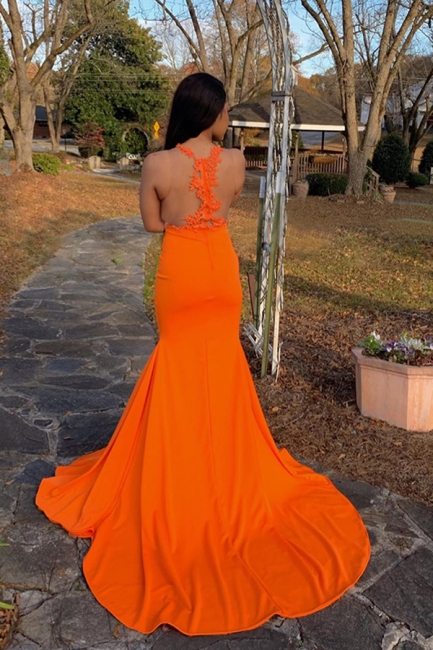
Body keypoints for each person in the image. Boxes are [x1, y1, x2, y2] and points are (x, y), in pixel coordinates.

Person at [36, 72, 370, 637]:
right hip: (219, 270)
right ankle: (224, 464)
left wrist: (178, 209)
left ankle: (180, 468)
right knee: (221, 366)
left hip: (182, 272)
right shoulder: (236, 163)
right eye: (225, 111)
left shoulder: (155, 164)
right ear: (211, 113)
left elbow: (151, 224)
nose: (227, 118)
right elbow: (225, 207)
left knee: (177, 363)